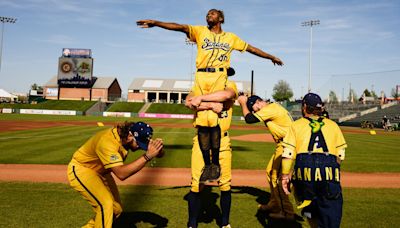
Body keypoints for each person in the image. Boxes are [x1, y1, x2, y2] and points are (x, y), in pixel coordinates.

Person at [137, 8, 283, 183]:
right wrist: (156, 23)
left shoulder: (231, 38)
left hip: (219, 75)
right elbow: (179, 27)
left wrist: (270, 57)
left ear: (221, 18)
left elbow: (251, 48)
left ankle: (215, 163)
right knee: (202, 122)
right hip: (201, 75)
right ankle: (209, 165)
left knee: (213, 120)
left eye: (212, 13)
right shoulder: (200, 31)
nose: (208, 15)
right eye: (207, 14)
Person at [67, 121, 164, 228]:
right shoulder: (107, 142)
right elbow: (121, 174)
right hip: (83, 169)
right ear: (129, 136)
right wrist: (147, 157)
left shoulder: (126, 137)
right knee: (106, 205)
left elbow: (158, 154)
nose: (139, 147)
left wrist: (158, 149)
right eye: (138, 143)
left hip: (102, 172)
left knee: (116, 210)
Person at [281, 93, 347, 228]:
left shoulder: (296, 125)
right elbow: (340, 155)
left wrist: (285, 176)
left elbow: (288, 153)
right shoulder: (333, 125)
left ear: (304, 107)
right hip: (329, 172)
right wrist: (331, 171)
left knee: (309, 209)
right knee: (330, 214)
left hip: (303, 171)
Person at [185, 80, 238, 228]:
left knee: (225, 183)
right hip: (201, 138)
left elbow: (226, 96)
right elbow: (188, 102)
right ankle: (192, 224)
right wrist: (209, 105)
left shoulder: (230, 84)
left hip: (222, 140)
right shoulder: (198, 85)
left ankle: (225, 223)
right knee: (196, 183)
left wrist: (200, 99)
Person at [237, 94, 295, 220]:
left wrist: (242, 103)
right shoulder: (272, 107)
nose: (254, 111)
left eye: (254, 108)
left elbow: (249, 119)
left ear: (258, 103)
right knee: (270, 173)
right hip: (283, 144)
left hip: (286, 145)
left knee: (277, 178)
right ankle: (275, 204)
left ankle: (287, 212)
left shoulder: (270, 108)